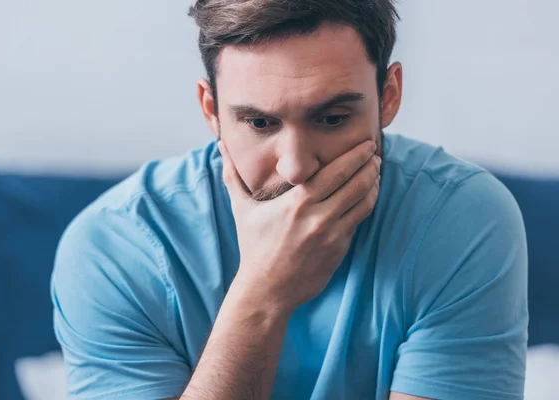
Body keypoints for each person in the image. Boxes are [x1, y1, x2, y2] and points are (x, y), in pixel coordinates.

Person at [51, 1, 528, 399]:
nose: (296, 167)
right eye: (260, 124)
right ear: (211, 110)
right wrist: (262, 294)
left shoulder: (463, 219)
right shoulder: (114, 248)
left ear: (388, 96)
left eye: (333, 118)